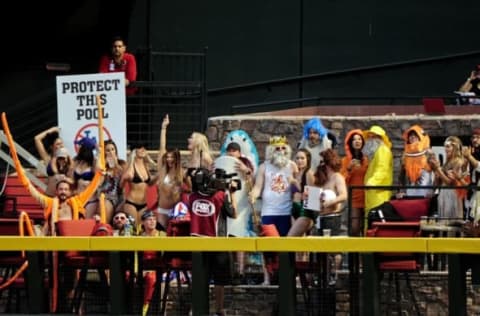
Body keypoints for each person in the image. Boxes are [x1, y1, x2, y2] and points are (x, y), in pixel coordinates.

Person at [188, 167, 237, 316]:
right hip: (217, 242)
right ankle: (219, 310)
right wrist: (231, 193)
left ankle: (196, 308)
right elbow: (233, 213)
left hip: (196, 243)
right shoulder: (220, 196)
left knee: (199, 277)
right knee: (219, 280)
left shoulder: (192, 197)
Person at [249, 136, 298, 285]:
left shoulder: (292, 166)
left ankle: (288, 275)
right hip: (268, 212)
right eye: (278, 148)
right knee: (267, 248)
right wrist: (253, 195)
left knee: (287, 247)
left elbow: (297, 188)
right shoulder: (264, 166)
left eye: (283, 148)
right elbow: (258, 186)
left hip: (286, 211)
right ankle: (267, 277)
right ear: (272, 150)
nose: (281, 151)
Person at [220, 141, 255, 283]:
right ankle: (228, 271)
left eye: (234, 151)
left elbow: (251, 184)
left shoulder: (245, 164)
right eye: (229, 151)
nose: (231, 154)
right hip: (227, 204)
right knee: (227, 237)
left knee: (240, 238)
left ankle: (240, 272)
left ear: (239, 153)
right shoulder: (224, 164)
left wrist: (246, 170)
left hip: (241, 206)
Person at [429, 136, 469, 224]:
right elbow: (437, 184)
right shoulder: (446, 163)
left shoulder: (459, 161)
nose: (445, 149)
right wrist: (436, 171)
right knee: (443, 223)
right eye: (445, 146)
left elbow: (450, 183)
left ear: (455, 147)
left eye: (448, 146)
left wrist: (438, 169)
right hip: (443, 194)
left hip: (452, 195)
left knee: (452, 224)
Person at [155, 114, 184, 230]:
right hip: (162, 210)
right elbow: (162, 147)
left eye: (172, 157)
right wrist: (163, 128)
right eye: (168, 157)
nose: (169, 159)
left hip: (176, 212)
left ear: (177, 159)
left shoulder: (182, 173)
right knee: (161, 236)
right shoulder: (163, 171)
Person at [119, 142, 155, 230]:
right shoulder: (131, 166)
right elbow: (121, 185)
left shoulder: (146, 166)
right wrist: (125, 178)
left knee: (142, 230)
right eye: (140, 148)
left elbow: (150, 184)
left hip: (143, 204)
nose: (143, 150)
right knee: (133, 229)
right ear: (134, 151)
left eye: (144, 148)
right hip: (131, 203)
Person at [362, 125, 393, 224]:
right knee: (371, 220)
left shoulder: (383, 150)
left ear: (380, 139)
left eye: (373, 137)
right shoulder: (376, 153)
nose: (370, 139)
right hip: (373, 195)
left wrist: (372, 182)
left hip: (379, 196)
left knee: (376, 221)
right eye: (369, 137)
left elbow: (382, 169)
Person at [340, 129, 368, 236]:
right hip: (354, 198)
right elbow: (342, 180)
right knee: (355, 227)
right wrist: (349, 169)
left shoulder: (367, 159)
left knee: (366, 227)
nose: (357, 141)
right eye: (354, 139)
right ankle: (354, 252)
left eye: (359, 139)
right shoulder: (345, 161)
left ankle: (365, 252)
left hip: (368, 197)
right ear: (350, 143)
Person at [398, 125, 434, 198]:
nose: (412, 137)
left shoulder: (428, 153)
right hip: (410, 190)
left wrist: (432, 190)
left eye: (415, 135)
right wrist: (402, 191)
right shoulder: (405, 155)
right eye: (410, 135)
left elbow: (437, 174)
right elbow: (401, 175)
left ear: (420, 137)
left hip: (425, 191)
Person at [287, 148, 315, 236]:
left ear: (308, 160)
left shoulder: (309, 173)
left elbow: (313, 198)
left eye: (302, 158)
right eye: (297, 158)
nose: (299, 161)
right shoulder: (296, 174)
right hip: (294, 209)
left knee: (292, 238)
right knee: (298, 245)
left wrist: (294, 182)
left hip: (304, 211)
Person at [98, 139, 126, 223]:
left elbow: (124, 179)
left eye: (113, 149)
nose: (111, 152)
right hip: (106, 197)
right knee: (106, 213)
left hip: (120, 197)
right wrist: (103, 164)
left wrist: (116, 164)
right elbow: (98, 181)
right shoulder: (101, 165)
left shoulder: (122, 164)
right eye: (108, 150)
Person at [73, 137, 99, 219]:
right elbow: (73, 180)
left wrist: (97, 149)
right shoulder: (76, 161)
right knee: (76, 222)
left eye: (81, 146)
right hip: (78, 198)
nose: (79, 147)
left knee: (87, 223)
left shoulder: (94, 162)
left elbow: (97, 178)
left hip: (90, 199)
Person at [463, 128, 480, 221]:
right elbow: (464, 172)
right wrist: (466, 159)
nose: (475, 140)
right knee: (470, 218)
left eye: (478, 137)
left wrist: (469, 157)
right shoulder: (472, 152)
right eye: (473, 137)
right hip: (473, 189)